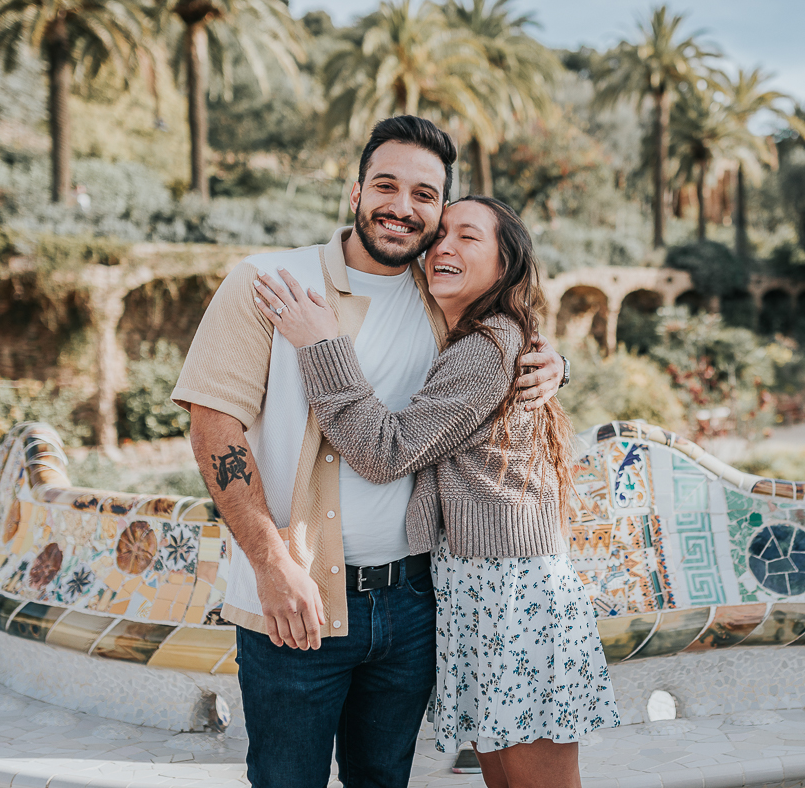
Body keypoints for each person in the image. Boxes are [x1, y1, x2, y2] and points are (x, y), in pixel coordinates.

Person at [171, 116, 566, 788]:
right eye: (386, 185)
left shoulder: (443, 296)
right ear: (355, 191)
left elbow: (502, 342)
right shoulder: (271, 282)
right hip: (294, 601)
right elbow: (215, 429)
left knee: (383, 780)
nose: (402, 207)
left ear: (439, 211)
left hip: (413, 601)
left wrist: (553, 362)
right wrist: (270, 563)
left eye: (424, 195)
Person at [252, 195, 619, 788]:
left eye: (468, 237)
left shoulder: (484, 346)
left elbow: (385, 452)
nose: (443, 245)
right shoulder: (470, 337)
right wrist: (560, 362)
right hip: (481, 589)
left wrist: (320, 344)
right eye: (440, 233)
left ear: (505, 266)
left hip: (513, 595)